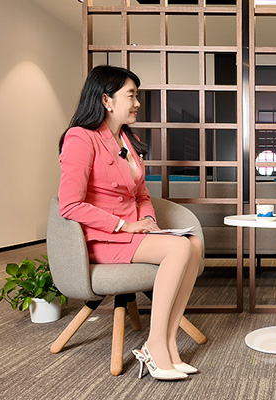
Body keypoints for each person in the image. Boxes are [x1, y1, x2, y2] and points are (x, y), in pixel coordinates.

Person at [58, 65, 202, 381]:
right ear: (106, 100)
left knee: (193, 243)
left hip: (132, 233)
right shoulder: (80, 138)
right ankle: (154, 345)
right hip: (102, 238)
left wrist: (147, 219)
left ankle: (168, 344)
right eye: (131, 96)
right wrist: (123, 226)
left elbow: (141, 194)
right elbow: (69, 205)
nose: (137, 103)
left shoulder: (127, 137)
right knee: (178, 248)